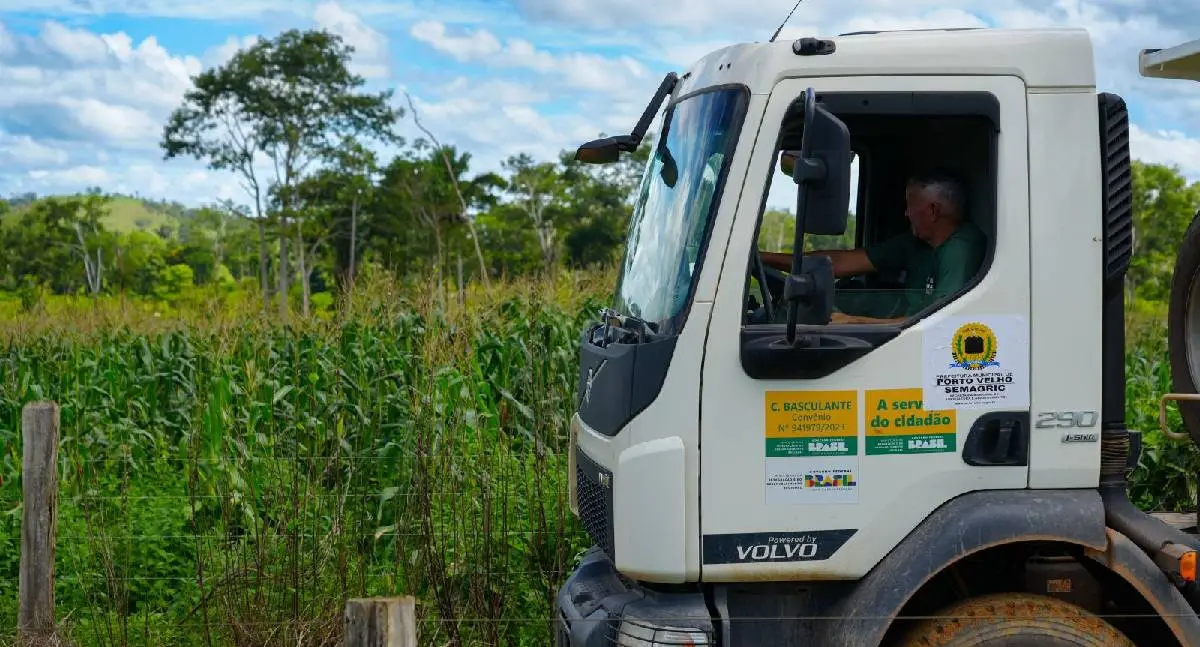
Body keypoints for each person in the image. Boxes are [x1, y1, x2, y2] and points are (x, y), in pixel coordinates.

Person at [760, 170, 986, 324]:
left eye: (910, 206)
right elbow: (839, 264)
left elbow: (938, 324)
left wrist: (855, 323)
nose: (906, 213)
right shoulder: (916, 242)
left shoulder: (961, 250)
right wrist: (763, 258)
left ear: (933, 211)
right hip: (902, 317)